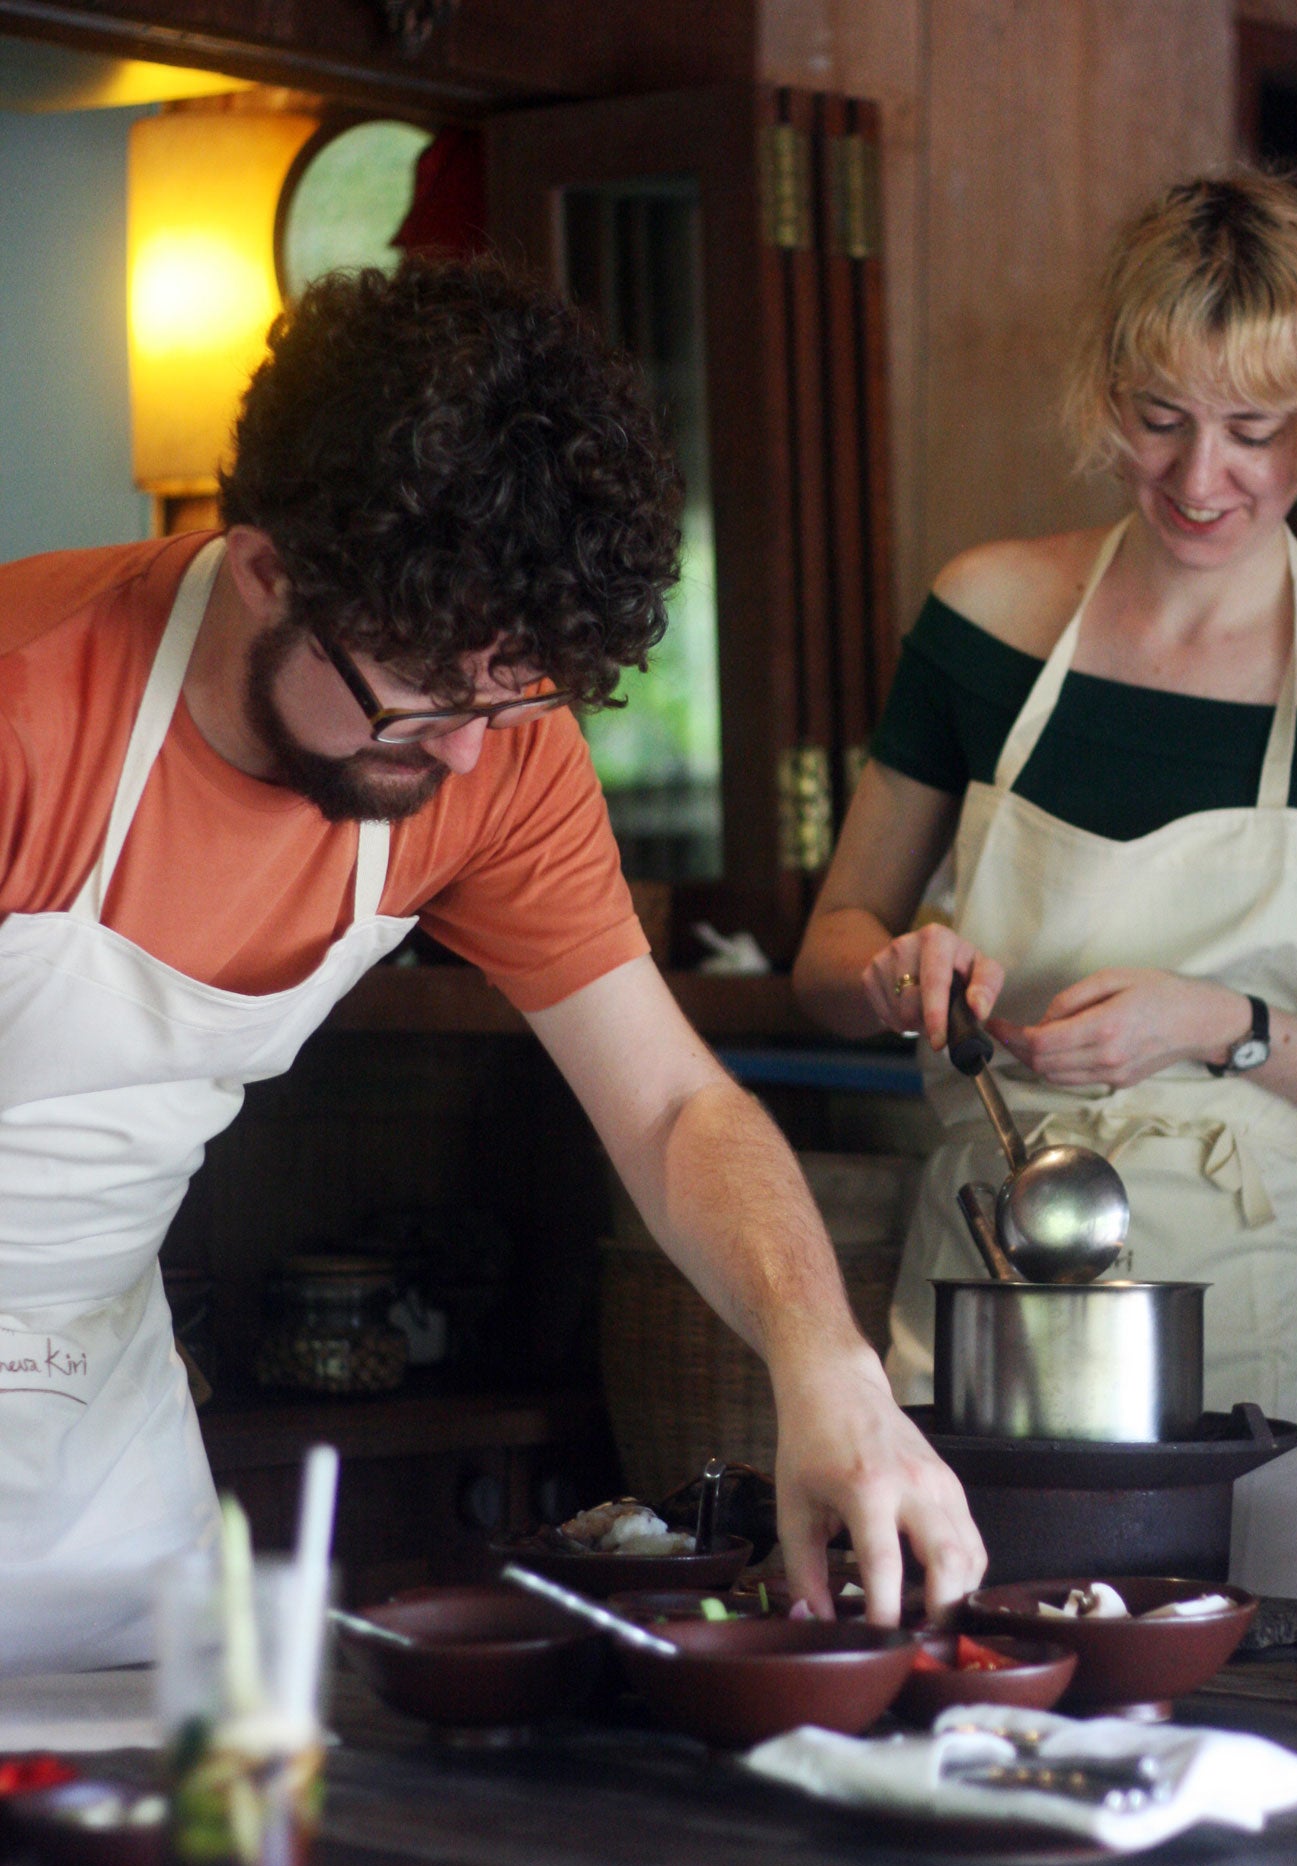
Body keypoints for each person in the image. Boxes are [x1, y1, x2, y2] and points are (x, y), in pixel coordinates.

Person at [0, 257, 983, 1673]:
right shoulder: (32, 708)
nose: (465, 756)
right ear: (266, 566)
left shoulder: (489, 754)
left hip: (103, 1478)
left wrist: (827, 1371)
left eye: (509, 698)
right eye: (422, 700)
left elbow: (671, 1110)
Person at [793, 168, 1297, 1601]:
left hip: (1257, 1295)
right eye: (1159, 420)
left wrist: (1227, 1027)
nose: (1201, 482)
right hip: (986, 1273)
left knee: (1271, 1727)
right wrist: (894, 973)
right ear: (1105, 393)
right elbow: (826, 955)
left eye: (1257, 432)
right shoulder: (986, 618)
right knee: (972, 1678)